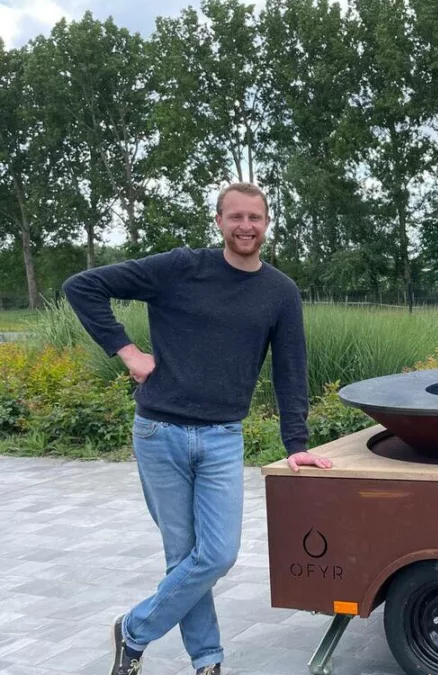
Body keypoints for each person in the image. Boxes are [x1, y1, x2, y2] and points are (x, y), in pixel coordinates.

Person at [63, 182, 333, 675]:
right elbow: (82, 287)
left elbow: (291, 369)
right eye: (236, 217)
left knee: (217, 554)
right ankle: (208, 661)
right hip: (158, 433)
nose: (245, 226)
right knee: (183, 556)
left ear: (267, 223)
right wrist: (127, 352)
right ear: (219, 221)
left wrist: (296, 443)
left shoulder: (280, 292)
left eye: (255, 217)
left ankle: (133, 631)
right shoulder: (181, 267)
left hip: (222, 438)